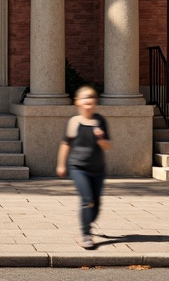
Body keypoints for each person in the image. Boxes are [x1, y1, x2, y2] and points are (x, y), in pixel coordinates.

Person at [55, 85, 111, 249]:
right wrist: (61, 164)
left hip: (98, 168)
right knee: (87, 201)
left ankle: (88, 220)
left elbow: (108, 147)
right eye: (85, 97)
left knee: (96, 205)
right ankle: (86, 234)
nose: (89, 99)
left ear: (95, 101)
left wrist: (100, 139)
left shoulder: (100, 121)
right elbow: (65, 144)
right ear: (77, 101)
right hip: (78, 167)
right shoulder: (74, 122)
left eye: (92, 97)